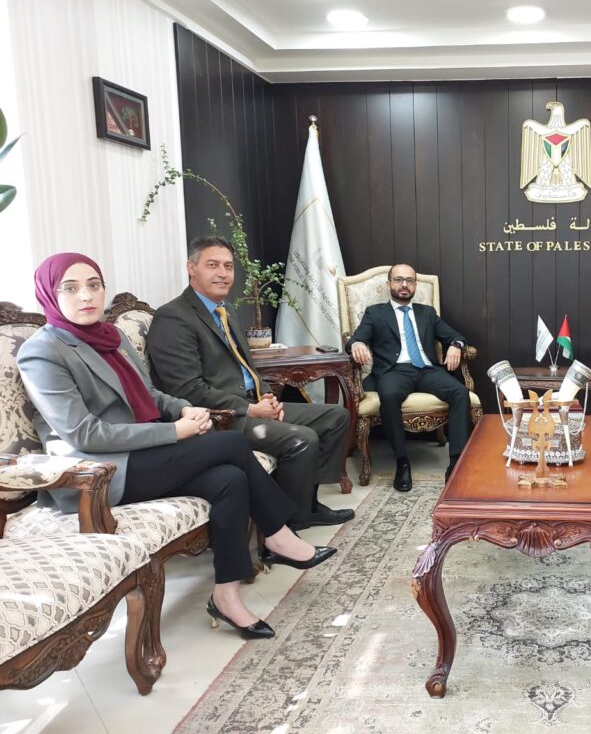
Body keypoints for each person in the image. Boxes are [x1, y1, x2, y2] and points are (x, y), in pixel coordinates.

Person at [17, 253, 335, 639]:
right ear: (49, 296)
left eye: (94, 285)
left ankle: (226, 595)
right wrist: (175, 431)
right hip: (96, 473)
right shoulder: (43, 351)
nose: (86, 295)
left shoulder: (111, 336)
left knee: (230, 479)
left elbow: (149, 394)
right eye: (70, 288)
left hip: (143, 452)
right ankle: (277, 533)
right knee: (232, 444)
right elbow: (85, 434)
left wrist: (185, 409)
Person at [146, 236, 353, 532]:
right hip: (220, 418)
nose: (223, 273)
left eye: (228, 266)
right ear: (191, 268)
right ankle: (286, 525)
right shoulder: (173, 317)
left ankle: (306, 505)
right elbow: (187, 390)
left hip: (250, 403)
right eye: (213, 265)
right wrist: (251, 409)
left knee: (335, 417)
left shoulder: (225, 310)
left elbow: (247, 368)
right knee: (303, 438)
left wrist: (267, 397)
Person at [345, 263, 470, 492]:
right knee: (389, 394)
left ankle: (456, 463)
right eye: (399, 279)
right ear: (389, 284)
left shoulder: (427, 312)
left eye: (410, 280)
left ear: (415, 285)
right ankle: (402, 462)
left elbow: (456, 335)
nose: (404, 284)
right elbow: (356, 338)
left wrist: (456, 345)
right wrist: (357, 345)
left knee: (461, 392)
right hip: (393, 371)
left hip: (426, 370)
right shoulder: (375, 312)